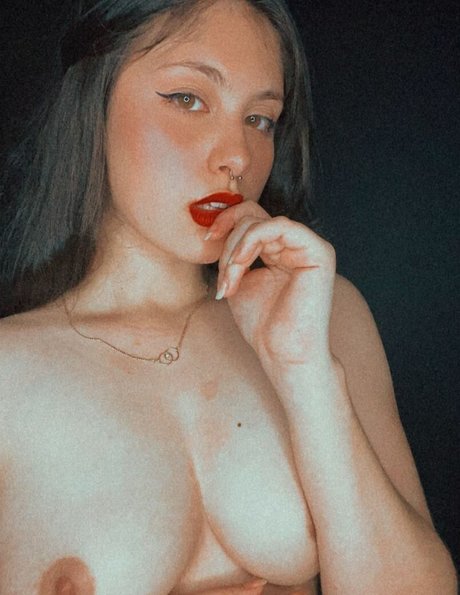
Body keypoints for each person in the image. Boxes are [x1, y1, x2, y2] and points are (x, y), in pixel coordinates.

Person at [0, 0, 456, 593]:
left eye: (260, 119)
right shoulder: (10, 374)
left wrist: (307, 375)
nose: (237, 157)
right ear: (94, 98)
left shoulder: (322, 317)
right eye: (188, 99)